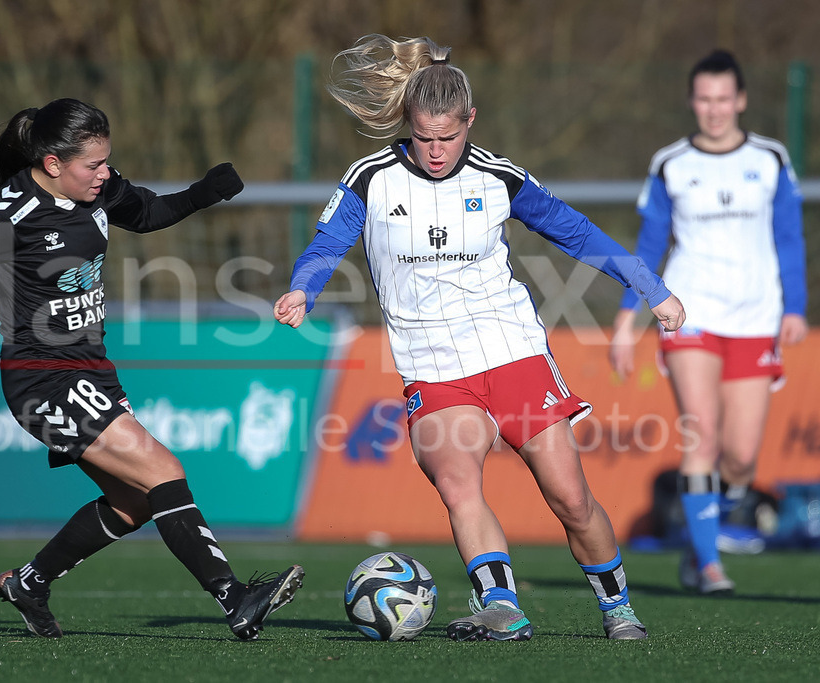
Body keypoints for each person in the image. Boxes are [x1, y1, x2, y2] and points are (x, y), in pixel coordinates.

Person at [275, 34, 686, 642]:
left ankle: (617, 605)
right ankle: (500, 605)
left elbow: (576, 232)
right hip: (432, 366)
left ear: (471, 120)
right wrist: (303, 287)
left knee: (570, 499)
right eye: (424, 138)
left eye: (448, 137)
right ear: (408, 124)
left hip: (511, 352)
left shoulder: (498, 177)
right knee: (458, 483)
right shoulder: (370, 179)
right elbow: (328, 243)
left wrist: (651, 288)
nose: (436, 151)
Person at [0, 98, 303, 639]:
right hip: (41, 378)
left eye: (107, 160)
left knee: (132, 503)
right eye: (94, 164)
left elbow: (148, 213)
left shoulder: (96, 188)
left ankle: (29, 583)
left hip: (93, 369)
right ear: (52, 162)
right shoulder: (7, 212)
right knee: (163, 469)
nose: (105, 173)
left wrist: (202, 193)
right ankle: (235, 598)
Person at [609, 50, 807, 594]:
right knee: (702, 433)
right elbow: (649, 245)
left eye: (723, 99)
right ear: (692, 102)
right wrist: (626, 320)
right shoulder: (671, 163)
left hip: (755, 316)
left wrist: (795, 306)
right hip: (689, 313)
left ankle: (713, 518)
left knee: (740, 457)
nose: (714, 109)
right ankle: (708, 563)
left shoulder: (770, 158)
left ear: (740, 100)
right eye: (704, 99)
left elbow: (789, 236)